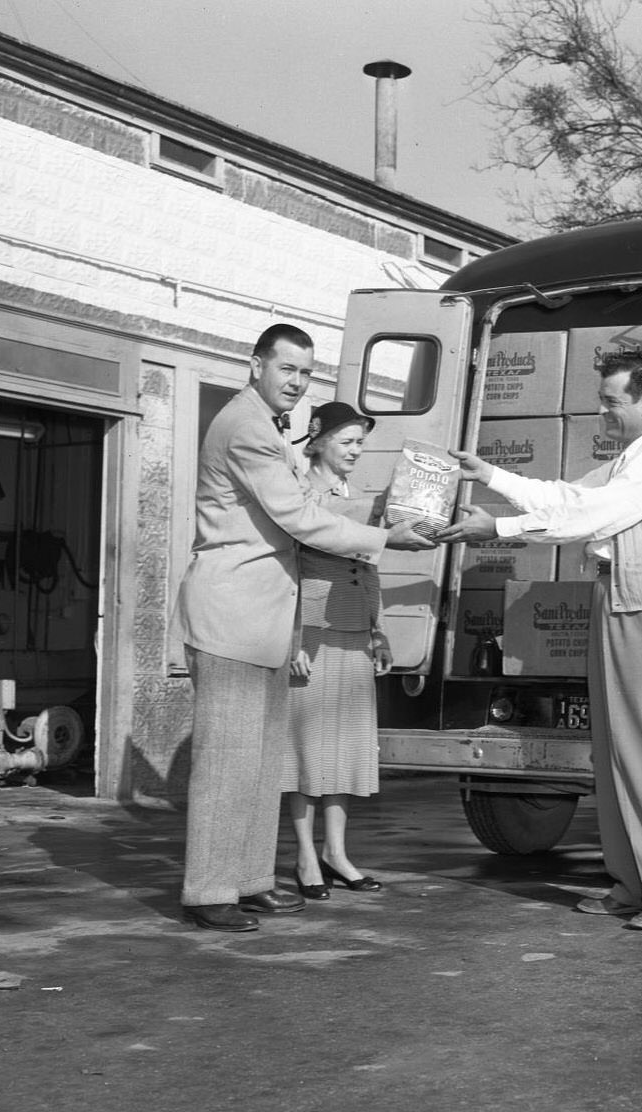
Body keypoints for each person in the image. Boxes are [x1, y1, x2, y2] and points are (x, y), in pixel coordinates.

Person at [172, 324, 433, 933]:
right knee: (227, 761)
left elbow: (310, 509)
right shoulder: (247, 428)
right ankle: (208, 891)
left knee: (263, 762)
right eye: (286, 369)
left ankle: (251, 879)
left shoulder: (269, 430)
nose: (295, 382)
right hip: (232, 613)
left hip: (263, 617)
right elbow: (296, 517)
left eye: (306, 373)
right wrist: (384, 536)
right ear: (256, 364)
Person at [438, 350, 642, 931]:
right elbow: (565, 496)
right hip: (615, 600)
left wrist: (497, 527)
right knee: (611, 754)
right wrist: (493, 477)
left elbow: (589, 517)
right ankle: (631, 885)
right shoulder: (626, 461)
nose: (601, 410)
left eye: (611, 401)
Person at [282, 401, 389, 900]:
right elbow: (286, 568)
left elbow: (366, 565)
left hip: (352, 630)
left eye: (360, 443)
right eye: (347, 441)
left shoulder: (356, 496)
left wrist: (377, 627)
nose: (356, 451)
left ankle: (336, 853)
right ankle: (305, 855)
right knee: (306, 748)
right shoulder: (297, 491)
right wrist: (292, 635)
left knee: (344, 748)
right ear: (319, 440)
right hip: (312, 632)